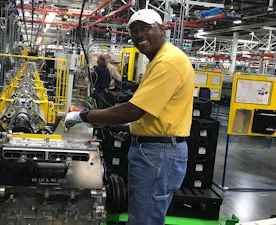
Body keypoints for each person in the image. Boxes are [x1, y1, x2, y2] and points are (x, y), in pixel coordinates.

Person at [64, 8, 195, 225]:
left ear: (162, 29)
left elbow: (134, 110)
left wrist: (84, 116)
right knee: (143, 213)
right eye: (134, 31)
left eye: (146, 28)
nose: (140, 34)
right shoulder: (159, 59)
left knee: (144, 218)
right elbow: (154, 114)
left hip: (158, 153)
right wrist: (116, 124)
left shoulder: (168, 62)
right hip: (153, 150)